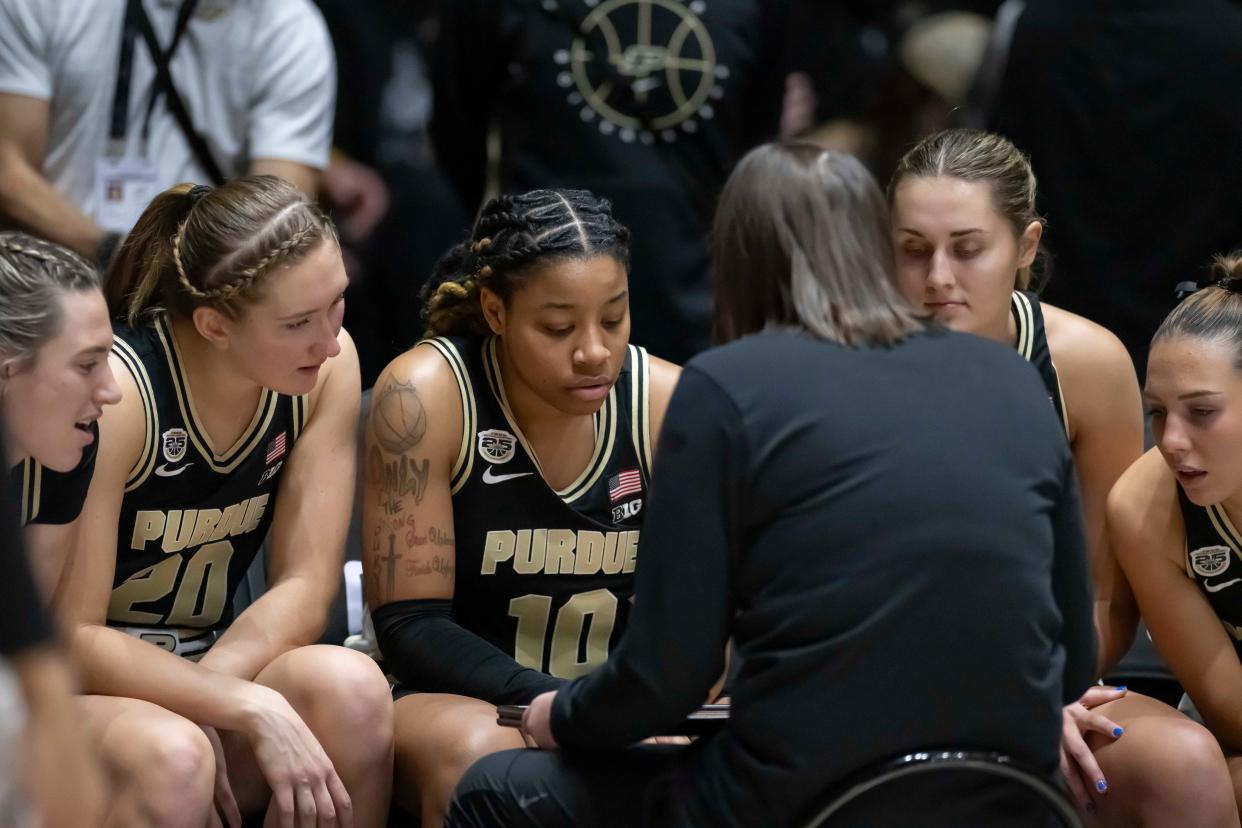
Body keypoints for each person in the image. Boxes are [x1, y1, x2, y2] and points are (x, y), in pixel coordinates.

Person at [444, 142, 1094, 828]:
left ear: (736, 260)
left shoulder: (728, 389)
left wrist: (560, 713)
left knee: (497, 787)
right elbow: (1073, 660)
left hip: (807, 803)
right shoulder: (1014, 382)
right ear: (876, 246)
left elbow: (669, 676)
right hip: (1011, 800)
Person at [888, 127, 1235, 825]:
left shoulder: (1089, 364)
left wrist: (1039, 692)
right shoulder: (838, 364)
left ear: (1025, 246)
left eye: (968, 247)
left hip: (1045, 678)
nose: (939, 278)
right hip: (883, 682)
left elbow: (1103, 601)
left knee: (1186, 765)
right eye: (914, 249)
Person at [61, 175, 393, 827]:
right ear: (213, 324)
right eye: (298, 322)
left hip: (210, 661)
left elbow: (304, 584)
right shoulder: (121, 394)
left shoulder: (324, 369)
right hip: (89, 694)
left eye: (337, 305)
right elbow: (74, 638)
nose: (328, 341)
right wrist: (226, 703)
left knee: (353, 691)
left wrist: (215, 693)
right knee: (175, 755)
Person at [361, 188, 680, 826]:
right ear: (495, 311)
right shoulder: (426, 393)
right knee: (491, 757)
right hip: (455, 694)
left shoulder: (666, 402)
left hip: (616, 701)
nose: (593, 351)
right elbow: (412, 626)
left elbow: (711, 609)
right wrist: (571, 709)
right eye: (558, 328)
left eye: (613, 319)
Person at [431, 0, 792, 363]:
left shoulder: (756, 9)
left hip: (699, 311)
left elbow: (753, 161)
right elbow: (457, 133)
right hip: (541, 312)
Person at [987, 0, 1242, 378]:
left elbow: (1003, 176)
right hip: (1198, 323)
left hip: (1061, 327)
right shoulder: (1227, 35)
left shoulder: (1039, 26)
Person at [0, 0, 336, 266]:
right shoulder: (43, 5)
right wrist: (114, 253)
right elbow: (8, 170)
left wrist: (182, 274)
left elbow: (278, 213)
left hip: (200, 286)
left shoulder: (289, 26)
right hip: (51, 272)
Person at [1111, 255, 1242, 818]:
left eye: (1202, 412)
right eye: (1157, 413)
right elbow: (1233, 714)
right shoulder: (1141, 508)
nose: (1170, 441)